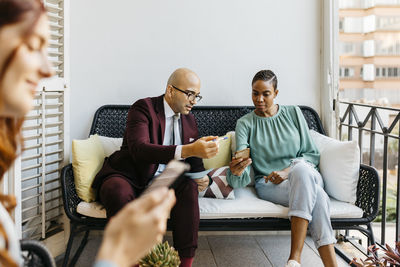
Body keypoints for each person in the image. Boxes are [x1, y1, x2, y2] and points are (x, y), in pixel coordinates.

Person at [0, 0, 175, 266]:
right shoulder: (144, 108)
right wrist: (116, 255)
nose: (49, 70)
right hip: (123, 175)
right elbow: (139, 148)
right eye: (34, 46)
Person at [92, 67, 219, 267]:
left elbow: (194, 161)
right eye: (189, 94)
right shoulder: (143, 108)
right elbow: (139, 149)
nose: (194, 101)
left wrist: (205, 178)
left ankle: (185, 263)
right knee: (116, 189)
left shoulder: (190, 119)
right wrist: (187, 149)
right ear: (170, 90)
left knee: (188, 187)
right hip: (129, 175)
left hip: (164, 181)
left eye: (197, 96)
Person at [227, 70, 338, 267]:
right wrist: (237, 171)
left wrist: (287, 172)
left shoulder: (294, 113)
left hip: (307, 174)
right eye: (255, 93)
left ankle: (294, 258)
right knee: (319, 197)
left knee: (300, 171)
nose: (259, 99)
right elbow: (241, 168)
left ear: (276, 93)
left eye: (266, 93)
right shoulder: (245, 124)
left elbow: (311, 154)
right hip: (269, 185)